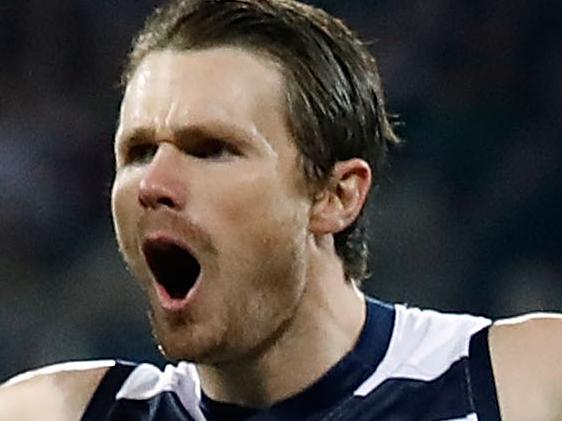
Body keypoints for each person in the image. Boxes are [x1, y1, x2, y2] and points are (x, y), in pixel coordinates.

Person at [1, 0, 561, 420]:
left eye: (211, 148)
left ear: (336, 196)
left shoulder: (519, 383)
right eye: (138, 151)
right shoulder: (60, 412)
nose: (152, 184)